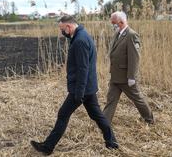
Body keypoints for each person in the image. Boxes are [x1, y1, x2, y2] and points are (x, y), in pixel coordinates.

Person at [30, 15, 118, 155]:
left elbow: (83, 69)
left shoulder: (80, 41)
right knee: (97, 116)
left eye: (62, 29)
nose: (61, 32)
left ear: (69, 26)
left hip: (81, 88)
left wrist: (79, 93)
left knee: (63, 114)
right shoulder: (82, 36)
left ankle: (47, 147)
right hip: (88, 88)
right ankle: (112, 142)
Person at [103, 11, 154, 125]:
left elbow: (134, 58)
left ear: (121, 22)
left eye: (113, 23)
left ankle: (149, 119)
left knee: (137, 98)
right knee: (111, 100)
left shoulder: (131, 35)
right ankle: (104, 123)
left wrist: (131, 77)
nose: (112, 25)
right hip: (115, 76)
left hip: (126, 77)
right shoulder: (117, 33)